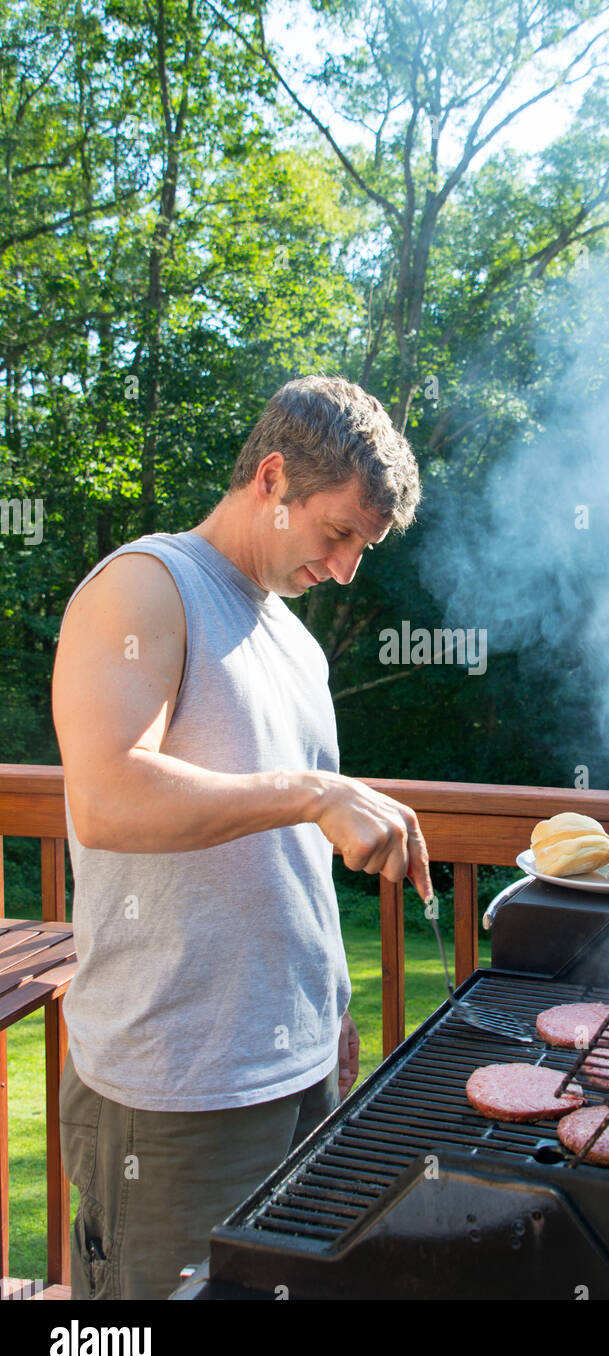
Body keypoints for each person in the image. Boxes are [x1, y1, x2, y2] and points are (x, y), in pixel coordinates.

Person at [51, 374, 433, 1299]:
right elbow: (106, 798)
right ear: (272, 479)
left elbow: (284, 857)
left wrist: (330, 1006)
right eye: (339, 534)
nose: (346, 568)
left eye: (363, 548)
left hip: (297, 1069)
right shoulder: (147, 586)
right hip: (174, 1091)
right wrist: (311, 791)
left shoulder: (296, 644)